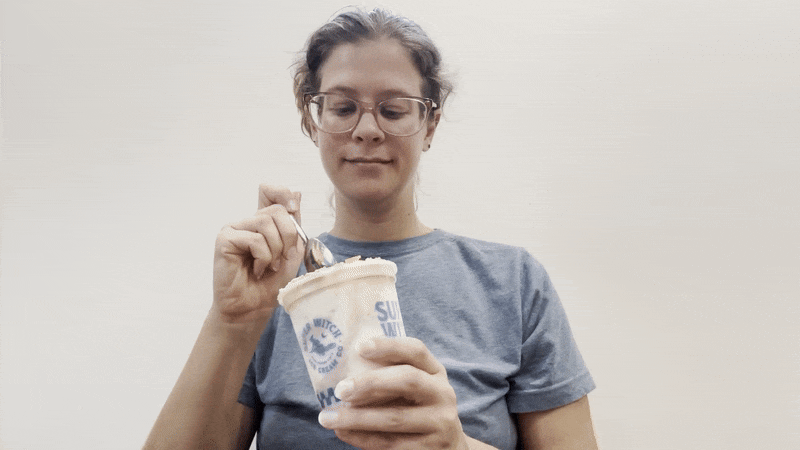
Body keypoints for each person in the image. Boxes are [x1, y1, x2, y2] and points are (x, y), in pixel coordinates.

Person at [144, 7, 597, 450]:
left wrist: (454, 446)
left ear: (430, 123)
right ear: (311, 120)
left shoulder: (513, 283)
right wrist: (231, 323)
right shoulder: (272, 285)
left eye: (394, 110)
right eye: (342, 107)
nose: (366, 130)